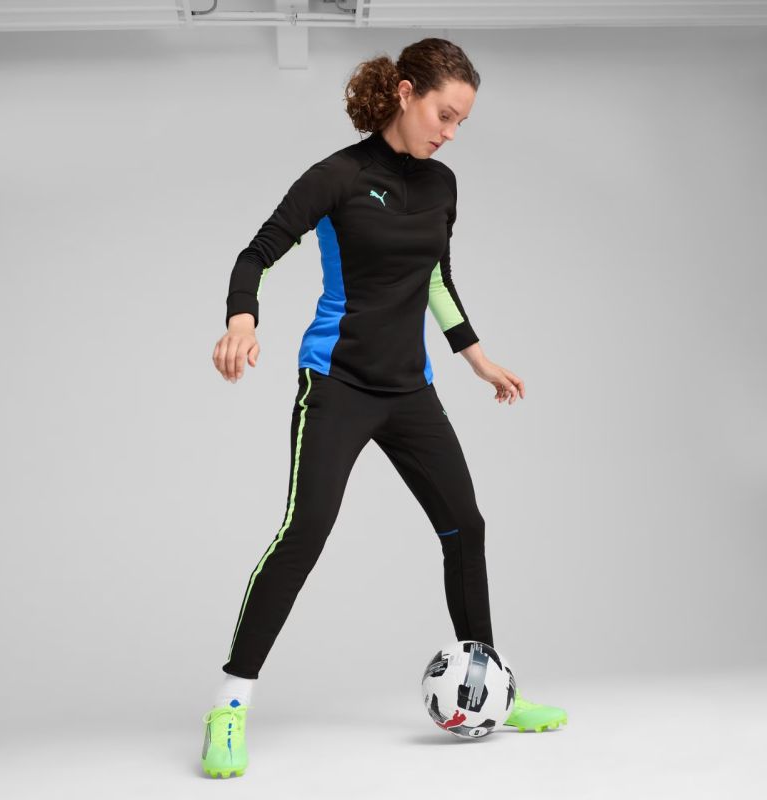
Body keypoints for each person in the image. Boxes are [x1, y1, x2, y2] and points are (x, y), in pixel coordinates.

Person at [201, 37, 567, 779]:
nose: (450, 133)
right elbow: (256, 253)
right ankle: (229, 706)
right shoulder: (338, 176)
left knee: (466, 527)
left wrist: (476, 357)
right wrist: (243, 320)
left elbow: (435, 277)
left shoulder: (442, 185)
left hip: (409, 390)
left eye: (462, 122)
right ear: (405, 93)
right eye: (444, 114)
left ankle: (490, 688)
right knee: (304, 534)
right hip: (336, 383)